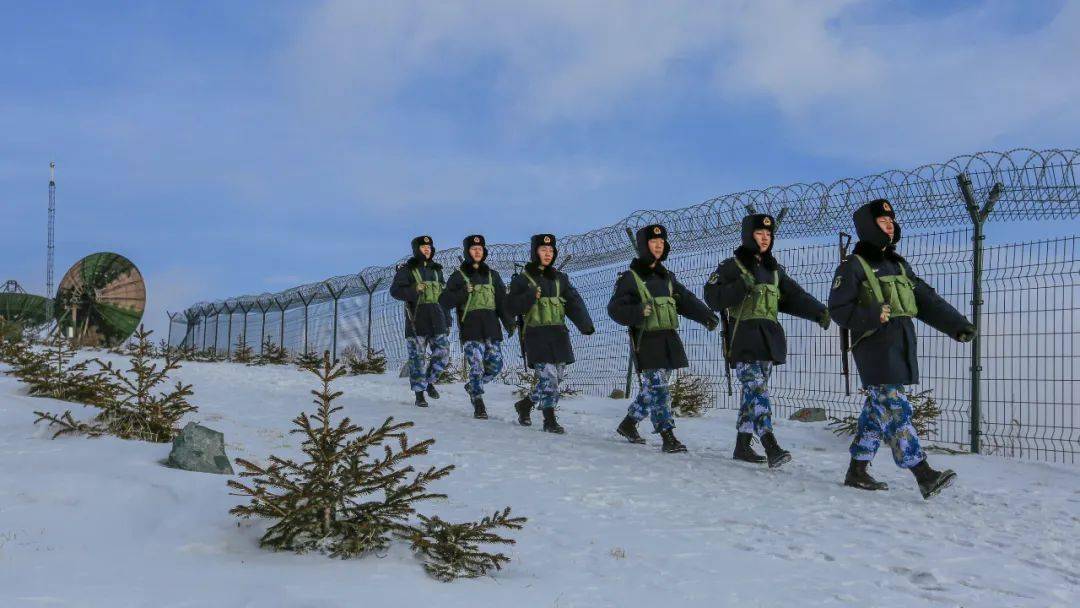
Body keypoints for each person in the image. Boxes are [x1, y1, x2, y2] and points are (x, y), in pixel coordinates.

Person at [829, 199, 975, 499]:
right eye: (882, 222)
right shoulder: (853, 265)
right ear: (869, 228)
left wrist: (957, 325)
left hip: (901, 343)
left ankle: (857, 469)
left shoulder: (898, 264)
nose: (890, 225)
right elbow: (838, 309)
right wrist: (872, 313)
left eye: (891, 221)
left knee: (877, 411)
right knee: (896, 408)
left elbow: (925, 299)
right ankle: (922, 473)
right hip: (874, 345)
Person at [704, 213, 830, 468]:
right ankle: (770, 443)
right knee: (757, 390)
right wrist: (741, 286)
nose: (764, 238)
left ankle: (742, 446)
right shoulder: (732, 266)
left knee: (752, 393)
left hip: (769, 340)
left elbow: (795, 296)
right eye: (759, 233)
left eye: (768, 235)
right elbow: (712, 296)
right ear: (748, 235)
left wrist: (818, 312)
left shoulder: (774, 270)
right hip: (744, 339)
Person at [608, 224, 719, 453]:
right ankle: (667, 435)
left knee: (653, 388)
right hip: (646, 341)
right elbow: (614, 309)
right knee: (659, 389)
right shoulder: (630, 278)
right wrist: (638, 311)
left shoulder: (667, 277)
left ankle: (628, 424)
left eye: (662, 242)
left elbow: (685, 300)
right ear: (643, 246)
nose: (659, 245)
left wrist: (706, 316)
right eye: (653, 242)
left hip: (668, 339)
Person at [506, 234, 595, 433]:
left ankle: (525, 405)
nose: (547, 254)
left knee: (558, 376)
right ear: (534, 252)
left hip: (559, 334)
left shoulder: (560, 279)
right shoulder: (522, 280)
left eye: (551, 251)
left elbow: (573, 302)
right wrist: (530, 295)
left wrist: (585, 324)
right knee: (549, 378)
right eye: (543, 250)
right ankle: (549, 419)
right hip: (536, 335)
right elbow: (511, 306)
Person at [439, 234, 515, 419]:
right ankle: (478, 401)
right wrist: (463, 291)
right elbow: (444, 301)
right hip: (471, 329)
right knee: (476, 366)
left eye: (480, 249)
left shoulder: (493, 276)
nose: (477, 252)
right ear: (467, 252)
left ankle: (473, 385)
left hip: (491, 329)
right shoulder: (458, 277)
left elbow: (502, 302)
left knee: (496, 365)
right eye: (473, 249)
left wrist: (509, 323)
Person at [390, 235, 453, 407]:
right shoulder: (407, 270)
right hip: (416, 320)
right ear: (416, 249)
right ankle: (419, 394)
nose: (427, 249)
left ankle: (429, 381)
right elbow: (395, 291)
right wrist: (413, 289)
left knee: (443, 353)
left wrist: (448, 319)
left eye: (430, 247)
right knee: (417, 358)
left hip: (438, 319)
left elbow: (444, 297)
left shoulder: (437, 270)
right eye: (423, 247)